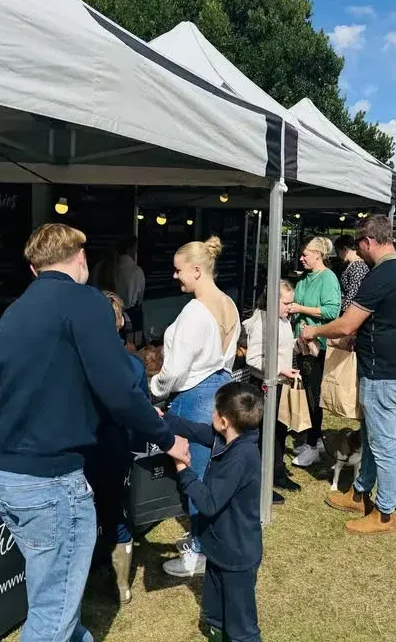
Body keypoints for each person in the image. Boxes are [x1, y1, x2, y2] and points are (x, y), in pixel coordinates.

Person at [0, 224, 187, 641]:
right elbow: (120, 390)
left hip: (0, 475)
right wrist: (168, 437)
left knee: (57, 599)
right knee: (52, 615)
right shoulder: (84, 301)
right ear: (80, 258)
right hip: (47, 481)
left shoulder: (16, 310)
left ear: (36, 269)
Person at [303, 215, 396, 535]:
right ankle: (359, 492)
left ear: (369, 241)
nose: (357, 249)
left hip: (385, 373)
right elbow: (390, 320)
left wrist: (315, 331)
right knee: (371, 435)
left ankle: (384, 513)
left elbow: (345, 324)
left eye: (358, 243)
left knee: (383, 444)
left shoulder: (381, 275)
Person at [152, 236, 241, 577]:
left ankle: (198, 552)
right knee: (210, 473)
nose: (176, 277)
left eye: (179, 271)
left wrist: (153, 388)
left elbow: (175, 370)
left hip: (194, 397)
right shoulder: (230, 304)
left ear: (197, 270)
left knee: (193, 475)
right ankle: (201, 539)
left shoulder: (193, 311)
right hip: (221, 391)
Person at [162, 383, 264, 642]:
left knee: (242, 627)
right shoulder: (229, 439)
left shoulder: (240, 458)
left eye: (213, 411)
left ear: (224, 420)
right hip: (220, 549)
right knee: (215, 613)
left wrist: (182, 468)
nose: (210, 415)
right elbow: (195, 431)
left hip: (237, 556)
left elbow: (208, 502)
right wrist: (164, 420)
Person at [84, 291, 148, 603]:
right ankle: (121, 585)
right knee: (114, 511)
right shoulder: (132, 365)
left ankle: (93, 578)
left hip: (84, 449)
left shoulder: (77, 363)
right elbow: (143, 409)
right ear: (120, 322)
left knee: (87, 515)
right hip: (116, 449)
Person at [286, 237, 342, 468]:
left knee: (313, 397)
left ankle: (313, 442)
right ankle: (310, 438)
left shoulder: (328, 278)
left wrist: (300, 308)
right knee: (302, 392)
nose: (301, 258)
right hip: (299, 345)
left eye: (305, 254)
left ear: (318, 254)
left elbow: (332, 311)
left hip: (316, 348)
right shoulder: (304, 278)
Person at [243, 280, 300, 493]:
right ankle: (260, 480)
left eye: (292, 303)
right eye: (286, 303)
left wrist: (300, 343)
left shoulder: (284, 319)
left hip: (280, 383)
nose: (291, 307)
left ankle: (276, 472)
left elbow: (284, 347)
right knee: (264, 433)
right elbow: (253, 357)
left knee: (280, 429)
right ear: (273, 302)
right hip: (264, 386)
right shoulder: (262, 322)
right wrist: (279, 370)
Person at [335, 235, 370, 313]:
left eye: (338, 251)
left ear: (344, 249)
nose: (338, 255)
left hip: (350, 312)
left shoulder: (358, 267)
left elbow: (353, 294)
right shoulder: (352, 265)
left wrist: (341, 310)